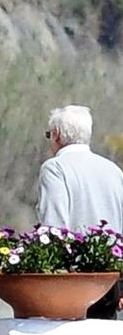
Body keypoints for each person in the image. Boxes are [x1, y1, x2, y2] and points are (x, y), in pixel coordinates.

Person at [37, 104, 123, 319]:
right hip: (109, 283)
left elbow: (54, 228)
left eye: (49, 135)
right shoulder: (113, 170)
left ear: (56, 135)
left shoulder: (55, 168)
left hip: (72, 285)